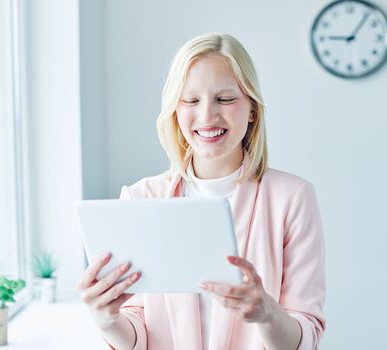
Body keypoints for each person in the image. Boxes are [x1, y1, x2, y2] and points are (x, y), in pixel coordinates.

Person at [77, 32, 326, 350]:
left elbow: (306, 335)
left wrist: (268, 315)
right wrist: (106, 320)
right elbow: (138, 332)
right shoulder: (141, 199)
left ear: (251, 110)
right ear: (175, 112)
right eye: (191, 100)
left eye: (225, 99)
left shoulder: (292, 198)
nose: (207, 116)